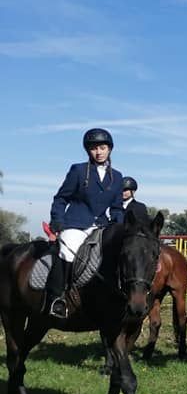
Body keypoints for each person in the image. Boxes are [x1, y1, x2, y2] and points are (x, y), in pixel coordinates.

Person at [45, 128, 125, 317]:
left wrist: (120, 228)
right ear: (88, 151)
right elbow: (60, 199)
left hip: (102, 226)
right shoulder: (78, 170)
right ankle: (57, 298)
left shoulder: (118, 176)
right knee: (67, 251)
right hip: (76, 223)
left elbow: (117, 209)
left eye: (102, 147)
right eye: (94, 148)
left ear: (110, 149)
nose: (99, 152)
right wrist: (57, 220)